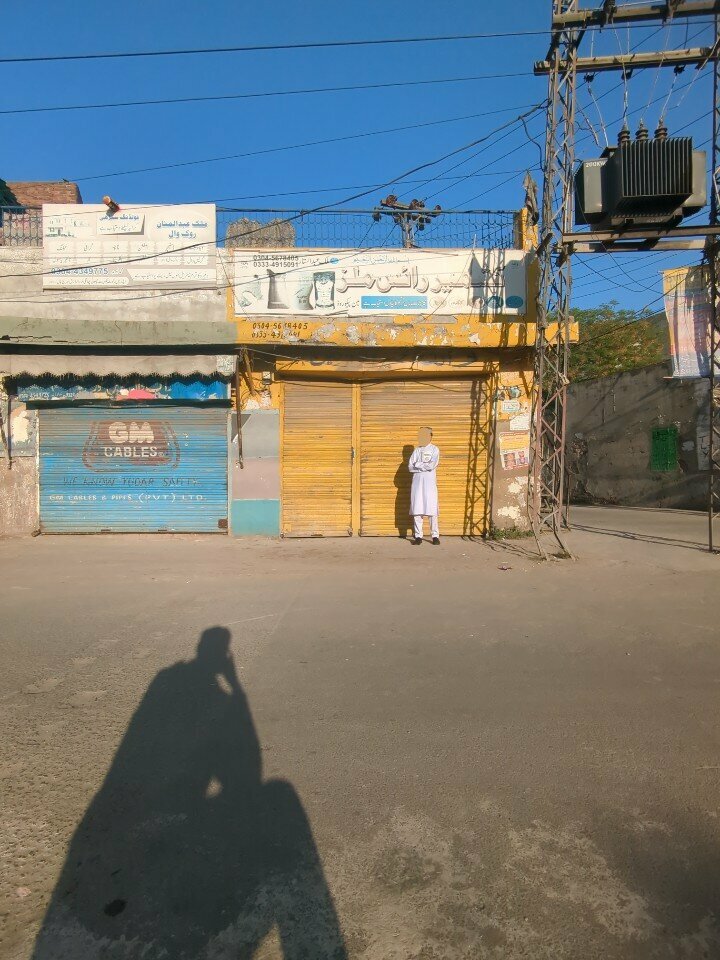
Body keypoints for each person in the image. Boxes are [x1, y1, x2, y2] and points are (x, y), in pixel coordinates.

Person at [409, 428, 440, 546]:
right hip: (417, 484)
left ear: (430, 436)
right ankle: (418, 536)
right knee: (417, 510)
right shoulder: (416, 451)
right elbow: (410, 467)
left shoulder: (434, 449)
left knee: (432, 510)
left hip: (430, 484)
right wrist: (422, 466)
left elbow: (432, 465)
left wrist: (418, 464)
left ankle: (435, 535)